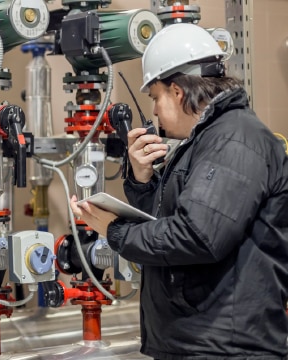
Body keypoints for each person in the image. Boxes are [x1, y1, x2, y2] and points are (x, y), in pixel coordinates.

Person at [70, 23, 288, 359]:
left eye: (155, 97)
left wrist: (115, 231)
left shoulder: (236, 140)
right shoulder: (207, 140)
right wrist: (142, 180)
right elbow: (170, 220)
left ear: (177, 92)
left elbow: (197, 236)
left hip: (226, 347)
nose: (154, 110)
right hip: (196, 340)